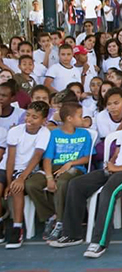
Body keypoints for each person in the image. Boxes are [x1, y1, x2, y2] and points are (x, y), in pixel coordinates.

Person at [50, 99, 122, 257]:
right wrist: (111, 164)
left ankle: (99, 242)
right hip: (114, 169)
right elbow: (117, 154)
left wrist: (116, 168)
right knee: (76, 184)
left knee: (108, 192)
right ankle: (72, 234)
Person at [30, 102, 92, 242]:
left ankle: (60, 222)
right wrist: (49, 177)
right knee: (32, 184)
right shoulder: (55, 134)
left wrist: (70, 163)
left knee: (63, 182)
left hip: (76, 168)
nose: (83, 119)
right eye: (80, 116)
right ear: (69, 118)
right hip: (54, 168)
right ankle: (50, 215)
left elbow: (88, 158)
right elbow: (47, 159)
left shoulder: (85, 134)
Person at [1, 101, 50, 249]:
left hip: (27, 169)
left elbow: (36, 157)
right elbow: (10, 159)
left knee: (17, 187)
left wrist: (20, 178)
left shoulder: (44, 133)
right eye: (28, 115)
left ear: (44, 120)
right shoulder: (15, 131)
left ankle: (17, 227)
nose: (29, 120)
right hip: (6, 167)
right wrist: (8, 182)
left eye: (35, 117)